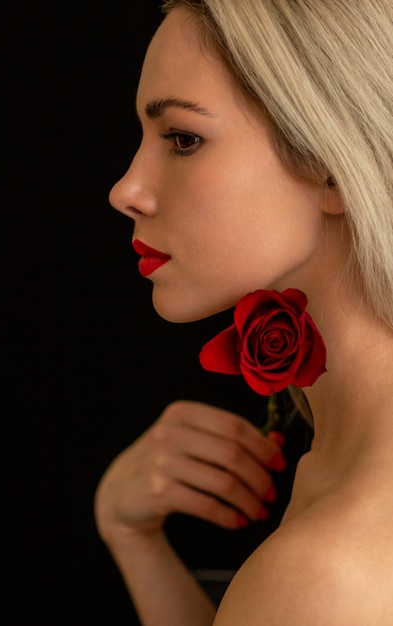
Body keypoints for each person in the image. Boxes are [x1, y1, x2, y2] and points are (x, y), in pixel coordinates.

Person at [95, 1, 393, 624]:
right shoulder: (341, 476)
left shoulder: (325, 574)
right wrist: (135, 540)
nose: (126, 190)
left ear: (332, 166)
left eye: (183, 139)